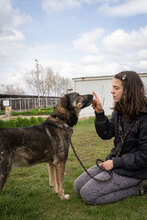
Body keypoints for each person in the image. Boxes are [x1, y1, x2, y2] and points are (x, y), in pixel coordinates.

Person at [74, 71, 147, 205]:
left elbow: (144, 156)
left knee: (88, 195)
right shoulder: (120, 110)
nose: (112, 91)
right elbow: (106, 133)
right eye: (112, 87)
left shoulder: (145, 117)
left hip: (136, 170)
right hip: (117, 161)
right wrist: (100, 113)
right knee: (78, 185)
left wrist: (114, 163)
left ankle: (139, 188)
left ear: (130, 90)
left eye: (116, 88)